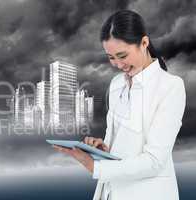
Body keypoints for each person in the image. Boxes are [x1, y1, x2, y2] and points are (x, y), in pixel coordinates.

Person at [52, 10, 186, 200]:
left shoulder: (171, 86)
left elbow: (155, 160)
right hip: (110, 193)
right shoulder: (117, 84)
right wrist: (102, 150)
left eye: (122, 55)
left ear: (144, 43)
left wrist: (94, 166)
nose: (117, 64)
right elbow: (118, 145)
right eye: (111, 57)